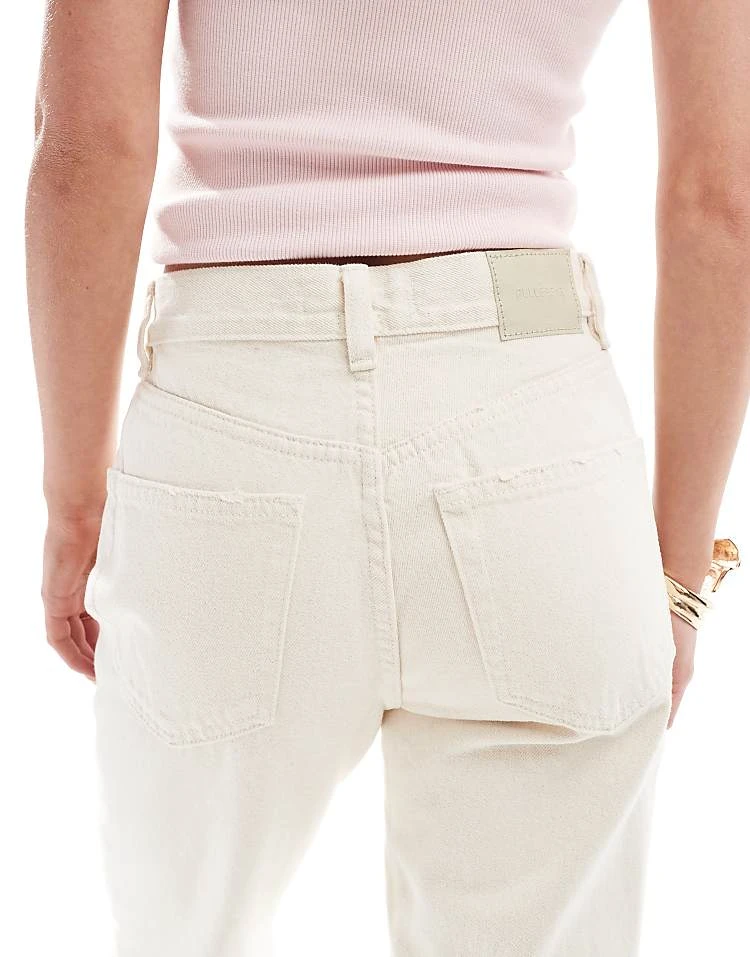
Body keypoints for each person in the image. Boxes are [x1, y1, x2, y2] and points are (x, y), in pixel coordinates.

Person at [26, 1, 748, 955]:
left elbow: (87, 147)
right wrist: (679, 578)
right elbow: (719, 200)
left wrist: (77, 505)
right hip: (532, 419)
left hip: (231, 409)